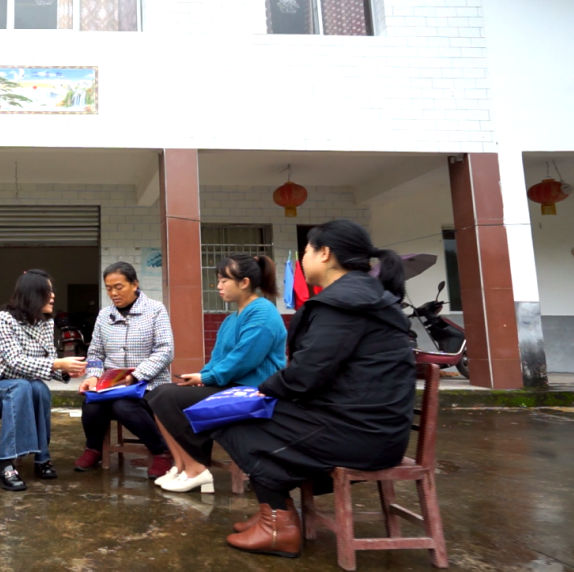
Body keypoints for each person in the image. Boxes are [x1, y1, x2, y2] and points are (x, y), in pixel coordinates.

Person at [215, 220, 415, 558]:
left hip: (359, 434)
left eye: (306, 250)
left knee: (232, 418)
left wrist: (262, 391)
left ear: (325, 254)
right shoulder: (362, 296)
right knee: (248, 414)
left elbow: (306, 374)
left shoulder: (345, 303)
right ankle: (274, 512)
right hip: (372, 428)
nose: (302, 258)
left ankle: (278, 524)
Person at [146, 254, 286, 494]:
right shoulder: (232, 319)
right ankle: (181, 466)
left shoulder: (263, 312)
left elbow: (244, 358)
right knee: (156, 394)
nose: (218, 286)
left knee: (167, 397)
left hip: (254, 394)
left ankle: (196, 470)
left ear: (244, 283)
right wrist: (202, 376)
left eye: (224, 280)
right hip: (231, 387)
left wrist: (206, 378)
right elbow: (219, 359)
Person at [0, 269, 87, 491]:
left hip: (23, 388)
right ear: (33, 294)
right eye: (47, 291)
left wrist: (67, 370)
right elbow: (15, 362)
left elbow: (49, 360)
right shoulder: (4, 319)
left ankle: (42, 458)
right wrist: (58, 364)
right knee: (21, 387)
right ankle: (4, 464)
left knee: (39, 389)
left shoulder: (46, 323)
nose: (53, 296)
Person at [73, 262, 175, 480]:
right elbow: (96, 353)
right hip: (112, 385)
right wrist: (93, 376)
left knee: (124, 407)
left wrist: (136, 376)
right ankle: (93, 449)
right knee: (91, 405)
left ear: (134, 284)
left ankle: (161, 452)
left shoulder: (155, 310)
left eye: (119, 287)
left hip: (149, 384)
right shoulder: (104, 315)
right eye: (109, 288)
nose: (113, 293)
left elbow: (165, 350)